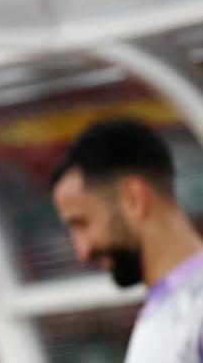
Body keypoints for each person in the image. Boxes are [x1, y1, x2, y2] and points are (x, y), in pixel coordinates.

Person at [50, 118, 203, 363]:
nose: (82, 251)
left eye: (82, 223)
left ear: (132, 198)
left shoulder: (192, 310)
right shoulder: (167, 311)